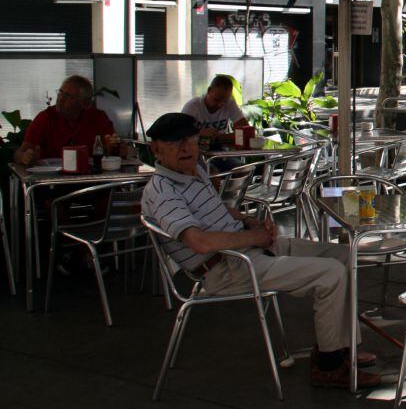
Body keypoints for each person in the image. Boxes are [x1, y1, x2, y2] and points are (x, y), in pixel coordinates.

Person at [140, 113, 379, 389]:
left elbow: (220, 211)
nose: (185, 148)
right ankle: (329, 366)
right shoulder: (162, 190)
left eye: (190, 140)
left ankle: (340, 346)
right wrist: (253, 236)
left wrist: (248, 221)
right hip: (225, 269)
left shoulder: (195, 171)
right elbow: (199, 242)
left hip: (248, 249)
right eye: (174, 143)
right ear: (156, 148)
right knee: (331, 274)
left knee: (344, 257)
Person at [15, 75, 123, 165]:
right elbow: (19, 153)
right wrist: (25, 157)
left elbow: (115, 146)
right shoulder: (45, 118)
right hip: (52, 183)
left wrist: (118, 149)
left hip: (90, 180)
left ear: (85, 104)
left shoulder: (98, 118)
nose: (60, 99)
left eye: (68, 96)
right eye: (60, 93)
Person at [181, 74, 249, 143]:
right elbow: (179, 132)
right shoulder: (193, 106)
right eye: (216, 100)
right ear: (209, 90)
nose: (220, 105)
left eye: (224, 101)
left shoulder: (230, 104)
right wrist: (199, 133)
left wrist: (220, 137)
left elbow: (246, 131)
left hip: (219, 148)